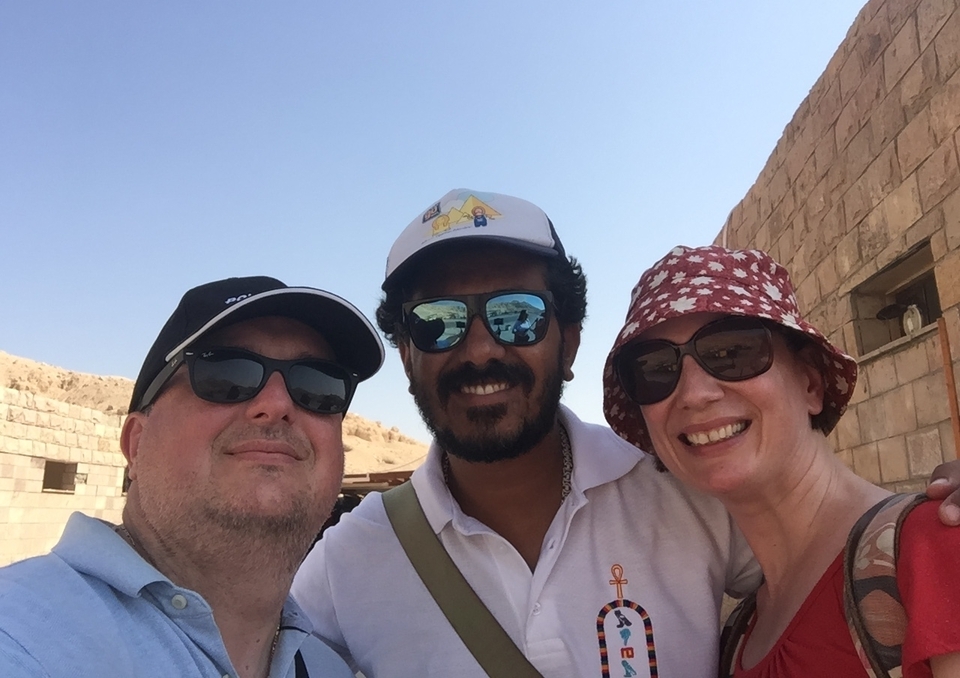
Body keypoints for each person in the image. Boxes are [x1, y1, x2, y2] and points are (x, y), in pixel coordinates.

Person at [292, 189, 765, 677]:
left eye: (518, 315)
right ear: (409, 358)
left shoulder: (683, 490)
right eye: (438, 322)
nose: (479, 351)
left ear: (569, 344)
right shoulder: (344, 566)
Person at [601, 245, 960, 677]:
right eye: (654, 369)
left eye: (731, 350)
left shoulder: (937, 551)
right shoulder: (742, 635)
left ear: (810, 382)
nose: (695, 394)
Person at [0, 276, 384, 678]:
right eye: (227, 374)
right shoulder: (23, 639)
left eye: (317, 385)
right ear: (136, 444)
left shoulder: (327, 667)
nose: (277, 404)